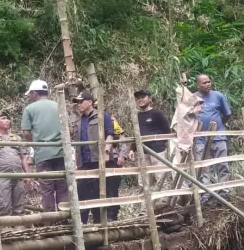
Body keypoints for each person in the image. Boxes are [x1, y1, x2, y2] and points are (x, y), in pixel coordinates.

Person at [71, 91, 125, 223]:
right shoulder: (78, 121)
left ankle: (108, 219)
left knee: (107, 190)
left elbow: (110, 134)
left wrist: (106, 152)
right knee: (83, 190)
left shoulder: (102, 115)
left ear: (90, 102)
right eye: (77, 102)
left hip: (100, 160)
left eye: (81, 101)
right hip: (85, 162)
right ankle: (82, 222)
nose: (79, 104)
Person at [22, 79, 68, 212]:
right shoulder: (58, 105)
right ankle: (64, 219)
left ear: (35, 93)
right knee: (62, 188)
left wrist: (35, 145)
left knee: (47, 189)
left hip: (43, 154)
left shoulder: (29, 109)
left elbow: (26, 132)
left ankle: (50, 222)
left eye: (30, 94)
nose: (30, 97)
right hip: (61, 153)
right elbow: (69, 129)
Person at [0, 112, 30, 216]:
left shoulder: (16, 138)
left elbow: (23, 157)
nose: (7, 120)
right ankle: (6, 228)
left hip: (18, 174)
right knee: (4, 202)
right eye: (3, 118)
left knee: (19, 202)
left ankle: (18, 227)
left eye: (7, 118)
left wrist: (28, 175)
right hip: (2, 175)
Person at [194, 74, 232, 202]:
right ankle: (206, 194)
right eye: (204, 83)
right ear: (197, 85)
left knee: (222, 164)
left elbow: (227, 114)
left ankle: (223, 192)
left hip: (218, 135)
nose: (208, 84)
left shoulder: (218, 96)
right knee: (203, 167)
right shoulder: (192, 98)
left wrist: (219, 125)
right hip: (199, 139)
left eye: (209, 82)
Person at [129, 89, 172, 188]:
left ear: (149, 98)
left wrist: (159, 143)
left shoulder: (157, 114)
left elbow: (167, 131)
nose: (140, 100)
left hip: (157, 151)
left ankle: (164, 201)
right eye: (138, 98)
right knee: (143, 180)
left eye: (143, 97)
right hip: (142, 151)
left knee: (161, 178)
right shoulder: (137, 116)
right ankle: (146, 202)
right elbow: (136, 134)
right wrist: (132, 149)